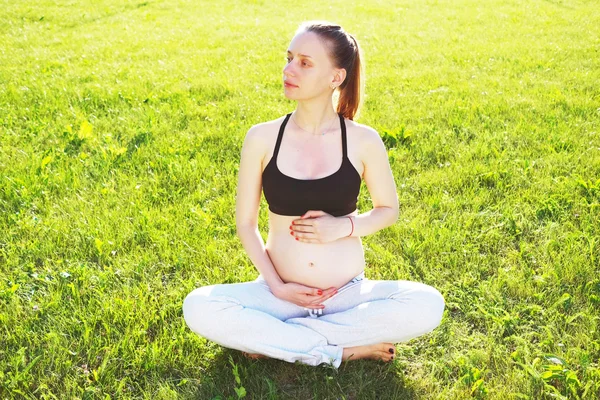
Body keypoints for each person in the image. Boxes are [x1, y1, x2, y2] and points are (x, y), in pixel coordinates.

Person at [182, 21, 445, 368]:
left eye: (305, 62)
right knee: (198, 306)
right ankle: (342, 348)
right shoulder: (261, 138)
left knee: (427, 303)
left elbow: (388, 209)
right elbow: (246, 224)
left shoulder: (363, 140)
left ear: (336, 77)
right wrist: (276, 286)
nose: (289, 69)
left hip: (346, 295)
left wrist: (343, 227)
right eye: (289, 58)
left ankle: (280, 339)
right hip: (280, 293)